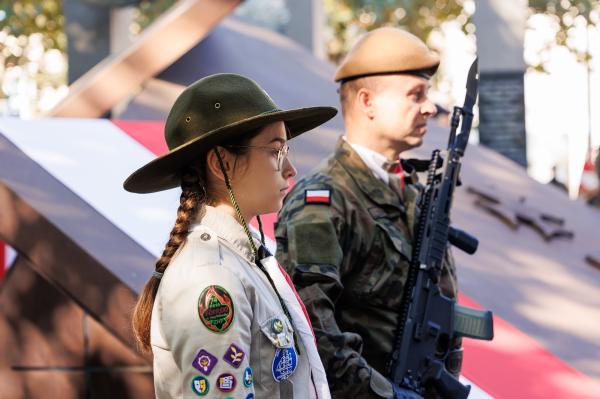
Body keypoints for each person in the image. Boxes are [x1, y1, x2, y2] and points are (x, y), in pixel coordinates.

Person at [124, 73, 337, 398]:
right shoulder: (210, 278)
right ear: (220, 161)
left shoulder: (244, 260)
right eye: (276, 151)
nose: (291, 168)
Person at [275, 28, 461, 399]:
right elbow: (311, 331)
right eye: (415, 95)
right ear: (367, 101)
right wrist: (388, 396)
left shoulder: (414, 193)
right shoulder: (324, 203)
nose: (429, 107)